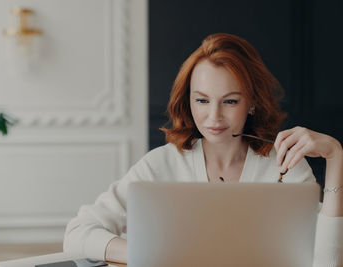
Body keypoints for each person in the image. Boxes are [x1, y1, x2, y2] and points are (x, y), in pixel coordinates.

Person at [63, 33, 343, 266]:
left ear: (252, 103)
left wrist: (335, 156)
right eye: (202, 100)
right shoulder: (161, 164)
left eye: (230, 101)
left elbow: (327, 261)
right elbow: (77, 234)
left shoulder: (283, 164)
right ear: (188, 101)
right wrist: (155, 255)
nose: (214, 117)